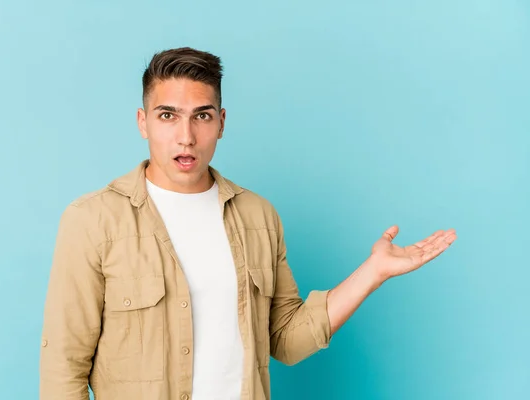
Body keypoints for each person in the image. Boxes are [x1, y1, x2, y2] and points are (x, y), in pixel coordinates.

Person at [39, 47, 457, 400]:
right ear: (142, 121)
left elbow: (288, 339)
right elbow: (64, 366)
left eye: (201, 116)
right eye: (168, 116)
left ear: (221, 122)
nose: (186, 136)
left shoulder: (258, 217)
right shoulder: (92, 220)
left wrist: (374, 272)